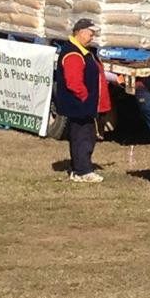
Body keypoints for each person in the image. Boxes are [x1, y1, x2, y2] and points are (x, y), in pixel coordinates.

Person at [54, 18, 112, 183]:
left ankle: (78, 168)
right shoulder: (73, 54)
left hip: (83, 104)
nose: (92, 36)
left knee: (83, 136)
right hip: (80, 105)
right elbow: (74, 82)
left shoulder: (84, 51)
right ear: (79, 32)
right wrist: (86, 98)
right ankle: (83, 171)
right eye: (90, 33)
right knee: (83, 137)